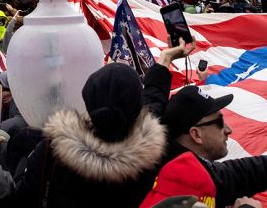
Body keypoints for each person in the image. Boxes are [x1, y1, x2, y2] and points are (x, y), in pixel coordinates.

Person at [148, 83, 267, 207]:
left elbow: (242, 173)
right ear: (196, 134)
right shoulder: (178, 182)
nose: (229, 129)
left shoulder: (187, 168)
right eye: (220, 122)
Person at [15, 63, 168, 206]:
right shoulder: (153, 156)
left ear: (88, 97)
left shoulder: (54, 150)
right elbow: (154, 105)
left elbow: (24, 197)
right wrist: (163, 64)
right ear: (137, 106)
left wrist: (23, 162)